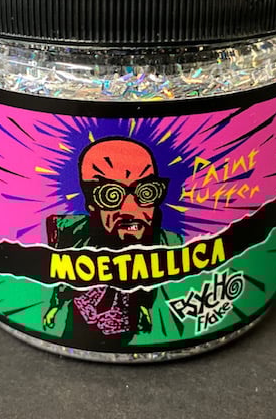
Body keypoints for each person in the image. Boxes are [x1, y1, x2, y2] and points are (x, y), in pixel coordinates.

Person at [43, 138, 182, 350]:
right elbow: (63, 279)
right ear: (90, 202)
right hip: (82, 326)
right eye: (111, 195)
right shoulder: (73, 234)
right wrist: (55, 307)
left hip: (126, 328)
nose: (130, 210)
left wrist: (144, 307)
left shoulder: (166, 242)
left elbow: (147, 284)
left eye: (146, 191)